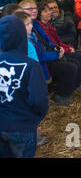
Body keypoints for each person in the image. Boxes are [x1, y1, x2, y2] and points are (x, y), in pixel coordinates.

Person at [0, 15, 48, 158]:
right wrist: (35, 119)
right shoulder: (31, 66)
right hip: (22, 127)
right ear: (22, 36)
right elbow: (39, 100)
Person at [19, 0, 78, 106]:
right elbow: (38, 55)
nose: (33, 11)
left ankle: (70, 89)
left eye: (35, 8)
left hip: (44, 58)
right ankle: (60, 95)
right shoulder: (25, 30)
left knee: (73, 62)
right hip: (39, 64)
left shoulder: (34, 25)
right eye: (29, 9)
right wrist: (56, 54)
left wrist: (56, 48)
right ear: (20, 11)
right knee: (70, 67)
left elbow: (48, 41)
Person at [36, 1, 81, 94]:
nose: (49, 13)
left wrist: (68, 47)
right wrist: (66, 49)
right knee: (76, 59)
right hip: (53, 55)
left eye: (49, 10)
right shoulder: (41, 28)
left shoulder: (49, 26)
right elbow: (52, 45)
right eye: (46, 11)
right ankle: (74, 87)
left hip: (59, 51)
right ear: (39, 15)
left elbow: (58, 42)